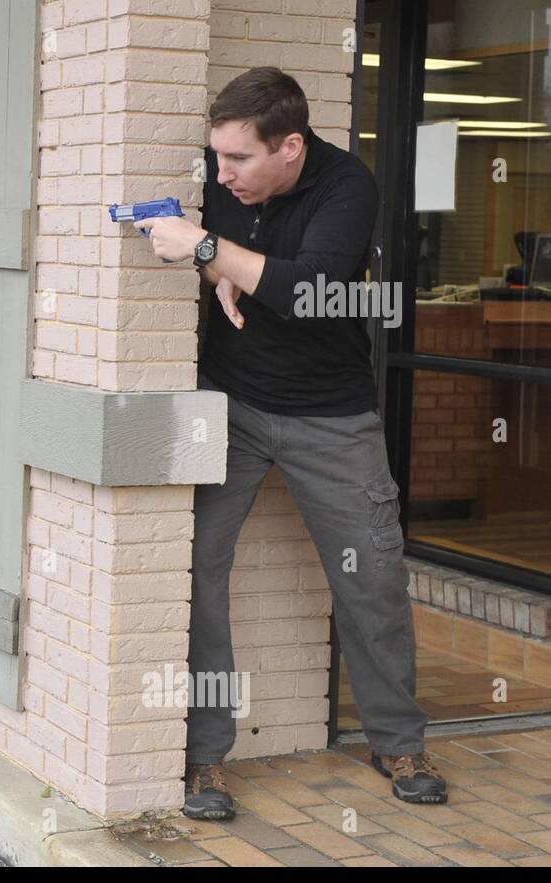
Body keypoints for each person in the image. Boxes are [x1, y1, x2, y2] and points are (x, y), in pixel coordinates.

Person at [143, 67, 447, 818]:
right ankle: (203, 757)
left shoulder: (348, 187)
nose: (223, 175)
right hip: (231, 406)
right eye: (217, 159)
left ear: (291, 148)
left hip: (331, 417)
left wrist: (207, 250)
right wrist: (221, 264)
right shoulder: (228, 180)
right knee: (198, 572)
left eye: (239, 160)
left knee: (372, 577)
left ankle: (398, 741)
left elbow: (308, 290)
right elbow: (244, 267)